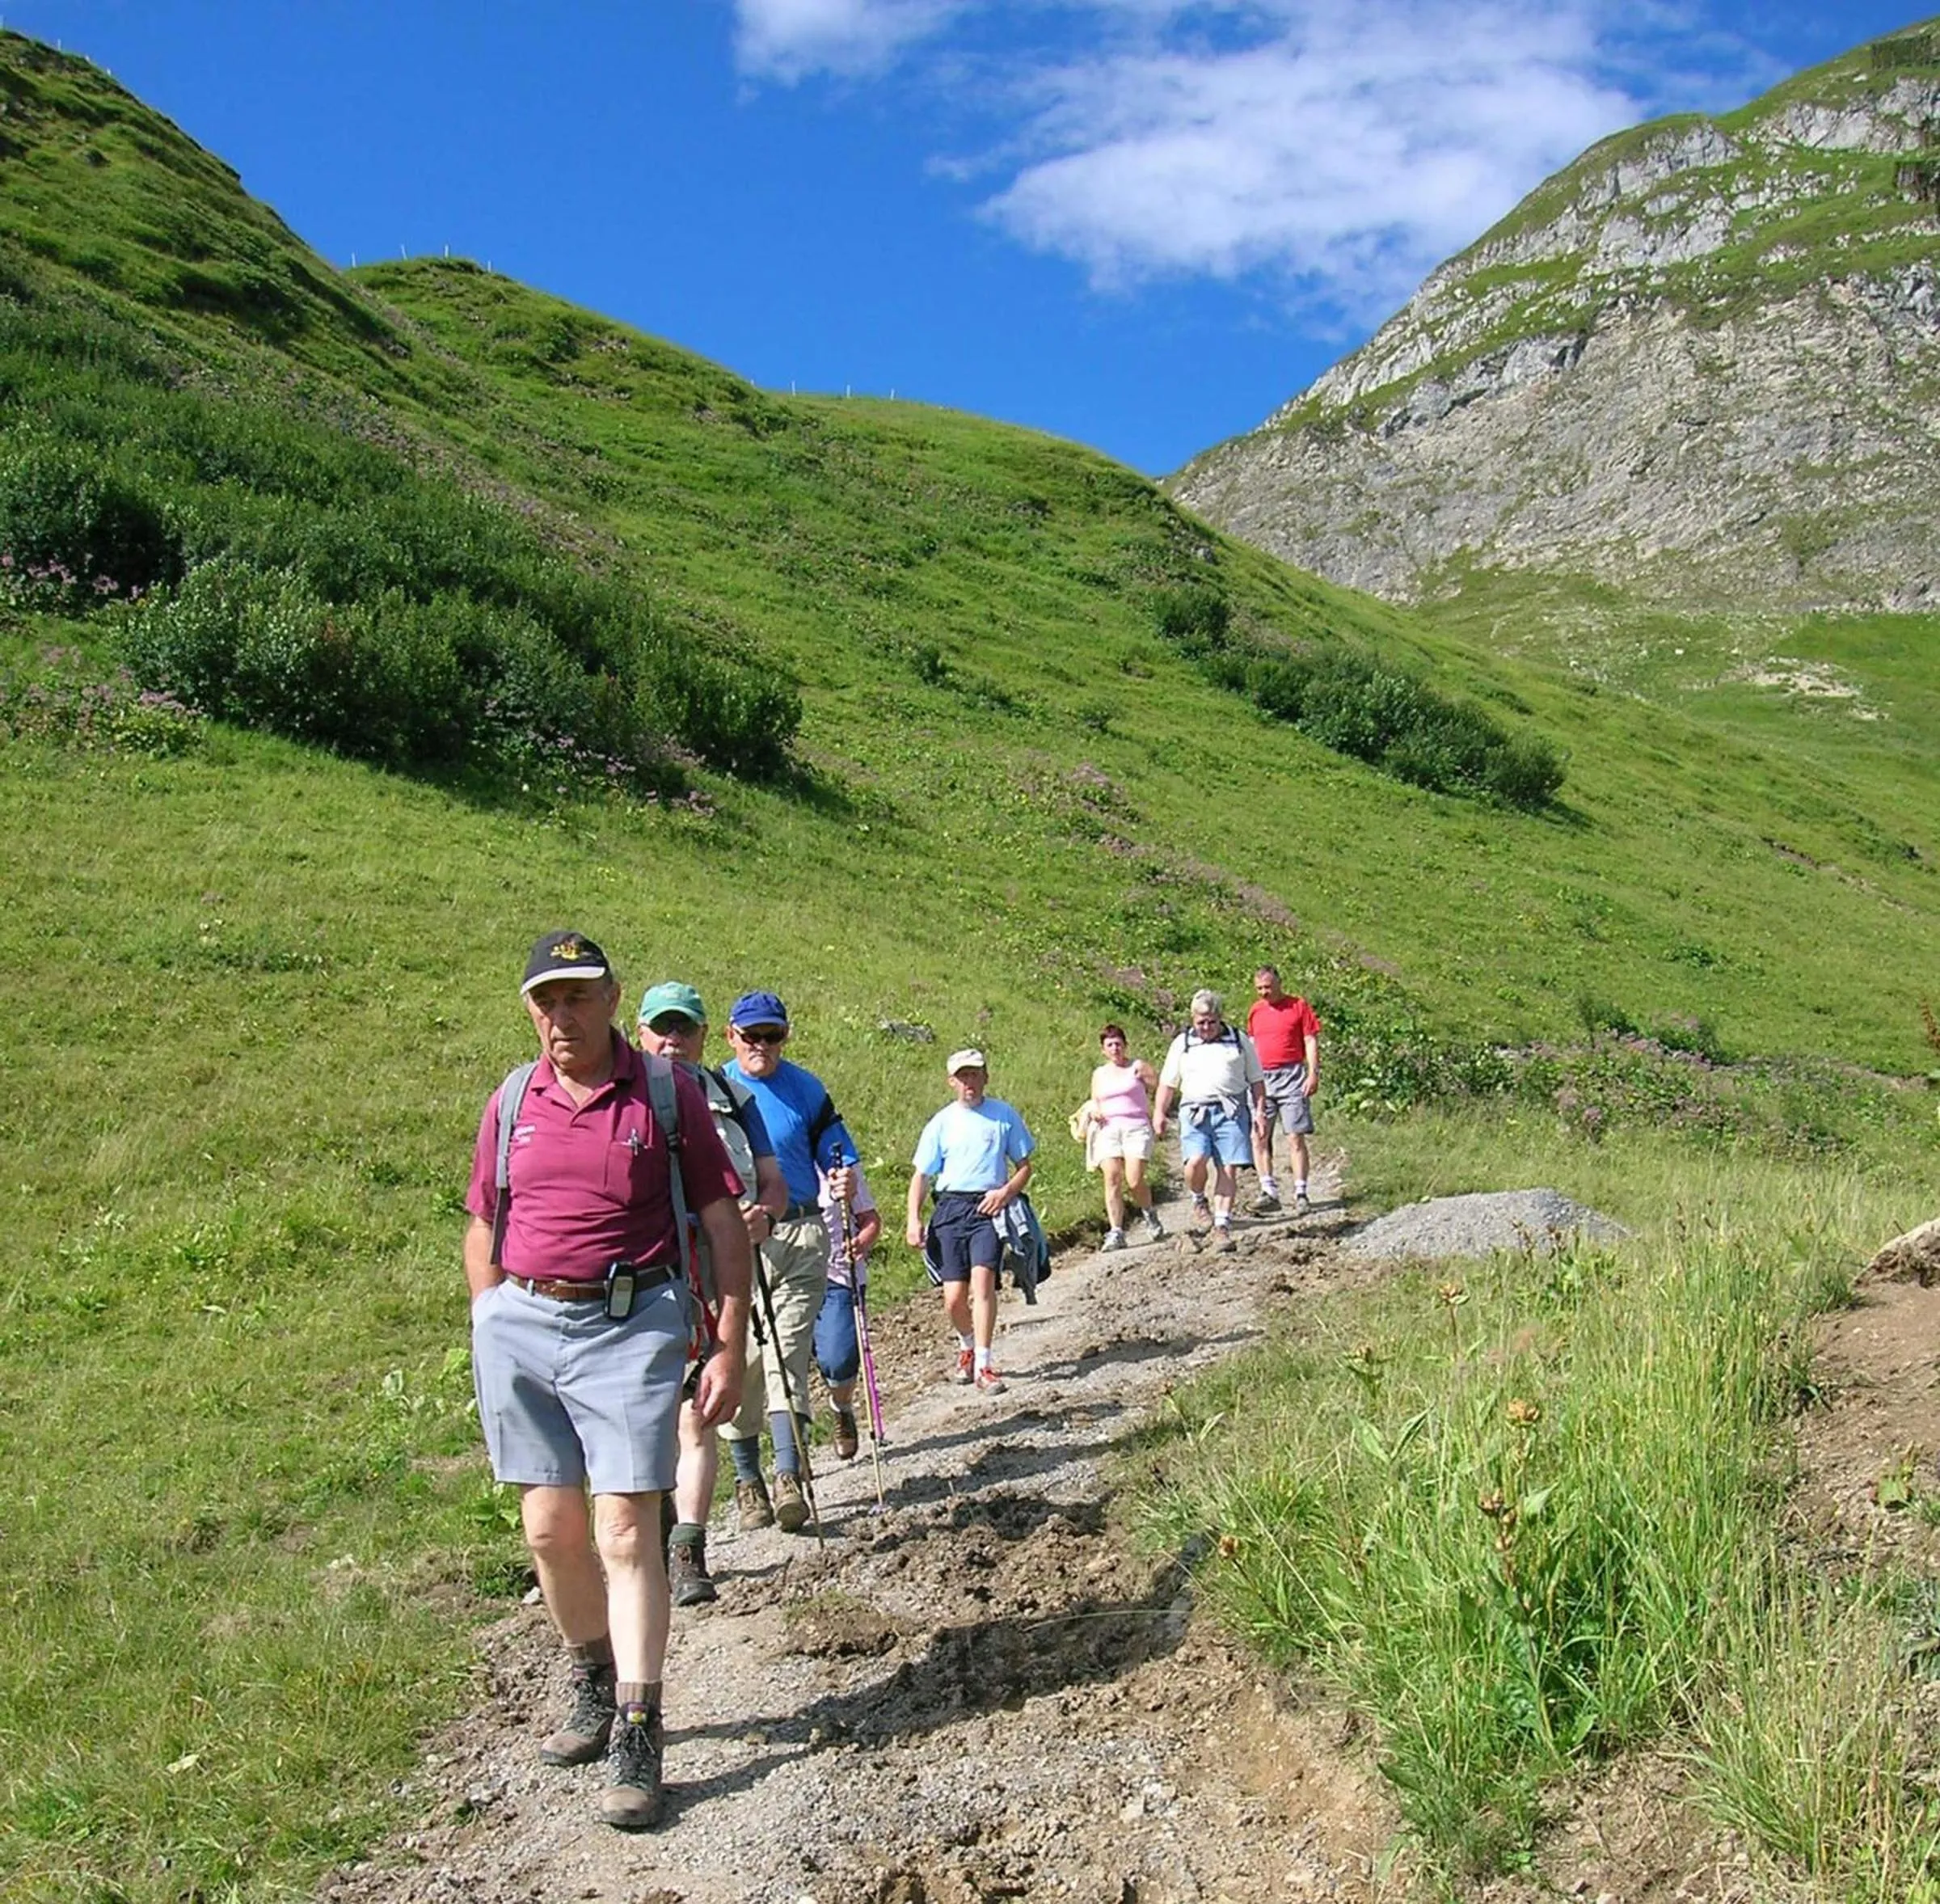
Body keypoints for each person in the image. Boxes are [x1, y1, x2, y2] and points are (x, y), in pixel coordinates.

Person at [464, 931, 751, 1831]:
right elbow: (483, 1220)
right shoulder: (513, 1100)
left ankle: (638, 1719)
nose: (562, 1015)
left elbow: (719, 1218)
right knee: (551, 1530)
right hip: (523, 1325)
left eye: (578, 996)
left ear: (612, 997)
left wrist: (729, 1342)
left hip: (632, 1325)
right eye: (546, 1000)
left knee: (627, 1526)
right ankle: (589, 1672)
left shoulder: (665, 1096)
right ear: (529, 1011)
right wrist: (489, 1315)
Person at [635, 980, 789, 1607]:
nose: (673, 1040)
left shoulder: (732, 1097)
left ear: (703, 1036)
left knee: (697, 1413)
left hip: (710, 1270)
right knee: (653, 1422)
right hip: (642, 1277)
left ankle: (688, 1549)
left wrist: (764, 1217)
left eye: (685, 1028)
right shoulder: (621, 1098)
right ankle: (662, 1528)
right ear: (639, 1032)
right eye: (661, 1027)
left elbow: (773, 1182)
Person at [719, 990, 858, 1533]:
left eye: (771, 1035)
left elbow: (838, 1152)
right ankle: (747, 1479)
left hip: (800, 1231)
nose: (761, 1045)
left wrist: (843, 1179)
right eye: (751, 1035)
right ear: (731, 1035)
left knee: (790, 1353)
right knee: (745, 1362)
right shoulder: (714, 1089)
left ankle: (787, 1474)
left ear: (786, 1036)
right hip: (733, 1240)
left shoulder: (806, 1089)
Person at [905, 1048, 1035, 1395]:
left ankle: (984, 1364)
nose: (970, 1083)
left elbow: (1025, 1167)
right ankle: (967, 1344)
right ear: (952, 1082)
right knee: (953, 1298)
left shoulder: (1003, 1115)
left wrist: (1005, 1193)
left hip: (988, 1209)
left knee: (983, 1285)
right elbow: (922, 1175)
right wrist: (913, 1219)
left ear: (986, 1077)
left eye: (975, 1075)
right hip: (950, 1209)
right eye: (963, 1077)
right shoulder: (941, 1123)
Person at [1151, 989, 1265, 1255]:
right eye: (1201, 1022)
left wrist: (1259, 1111)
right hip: (1195, 1111)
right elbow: (1168, 1083)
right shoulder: (1183, 1043)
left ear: (1220, 1018)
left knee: (1228, 1169)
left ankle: (1222, 1225)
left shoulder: (1239, 1040)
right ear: (1193, 1020)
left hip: (1231, 1111)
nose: (1206, 1027)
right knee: (1195, 1161)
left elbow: (1257, 1080)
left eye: (1211, 1022)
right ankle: (1199, 1200)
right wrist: (1159, 1112)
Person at [815, 1158, 882, 1459]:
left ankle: (840, 1407)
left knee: (839, 1359)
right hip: (786, 1277)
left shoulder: (840, 1167)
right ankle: (791, 1452)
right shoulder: (764, 1164)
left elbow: (870, 1219)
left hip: (838, 1276)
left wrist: (862, 1241)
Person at [1246, 965, 1322, 1216]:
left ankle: (1301, 1192)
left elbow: (1310, 1039)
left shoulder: (1298, 1005)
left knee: (1295, 1136)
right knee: (1259, 1135)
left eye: (1268, 987)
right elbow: (1252, 1044)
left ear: (1278, 983)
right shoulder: (1256, 1011)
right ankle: (1268, 1190)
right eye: (1259, 989)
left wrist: (1313, 1072)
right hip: (1262, 1079)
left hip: (1292, 1075)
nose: (1264, 993)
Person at [1087, 1023, 1164, 1251]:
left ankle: (1149, 1213)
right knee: (1111, 1177)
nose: (1115, 1049)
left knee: (1134, 1179)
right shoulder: (1099, 1074)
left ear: (1125, 1045)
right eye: (1109, 1045)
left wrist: (1158, 1113)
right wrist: (1093, 1111)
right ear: (1103, 1049)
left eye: (1118, 1044)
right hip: (1108, 1128)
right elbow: (1094, 1099)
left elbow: (1160, 1089)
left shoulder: (1137, 1067)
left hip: (1136, 1127)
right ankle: (1116, 1231)